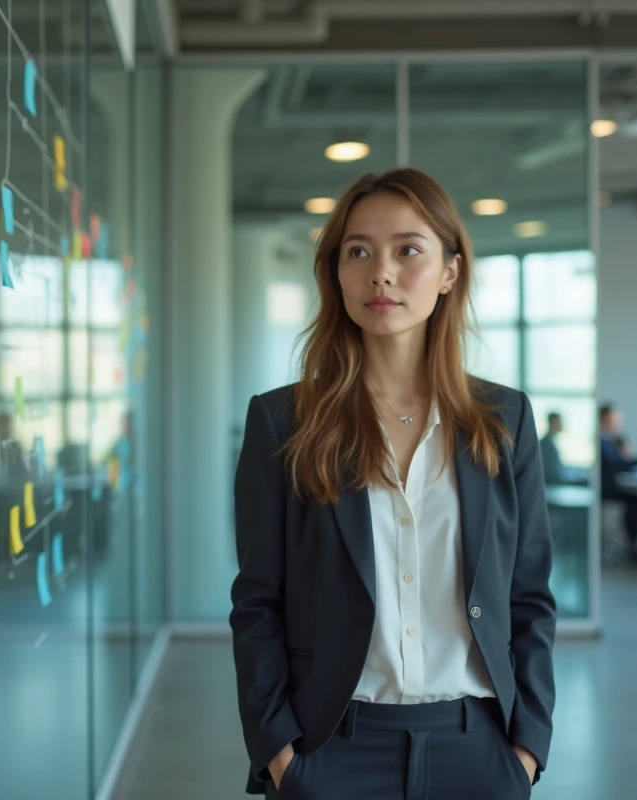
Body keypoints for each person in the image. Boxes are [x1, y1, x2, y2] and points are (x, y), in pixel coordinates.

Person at [230, 168, 556, 799]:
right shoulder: (283, 421)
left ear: (450, 272)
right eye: (359, 251)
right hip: (331, 751)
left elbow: (530, 596)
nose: (381, 271)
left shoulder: (504, 419)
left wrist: (527, 750)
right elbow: (257, 601)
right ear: (337, 274)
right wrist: (281, 756)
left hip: (479, 751)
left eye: (408, 250)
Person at [599, 402, 637, 562]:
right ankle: (636, 544)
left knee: (636, 499)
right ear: (605, 417)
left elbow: (623, 460)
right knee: (635, 501)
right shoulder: (600, 439)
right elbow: (619, 463)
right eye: (616, 417)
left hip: (613, 483)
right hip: (603, 487)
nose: (619, 421)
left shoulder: (610, 438)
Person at [540, 412, 587, 485]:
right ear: (553, 423)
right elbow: (551, 472)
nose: (561, 424)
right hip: (554, 483)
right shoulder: (545, 444)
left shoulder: (550, 442)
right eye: (559, 421)